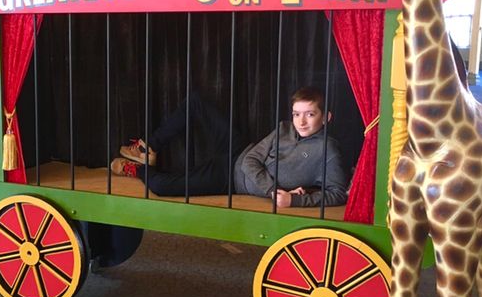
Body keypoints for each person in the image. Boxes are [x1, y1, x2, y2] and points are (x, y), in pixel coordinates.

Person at [111, 87, 348, 208]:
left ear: (326, 117)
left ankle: (136, 169)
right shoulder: (285, 128)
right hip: (239, 150)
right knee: (196, 102)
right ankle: (147, 148)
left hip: (230, 179)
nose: (302, 121)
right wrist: (272, 191)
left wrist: (295, 201)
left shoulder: (328, 151)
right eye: (297, 114)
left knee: (161, 186)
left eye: (310, 114)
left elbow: (337, 194)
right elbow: (250, 160)